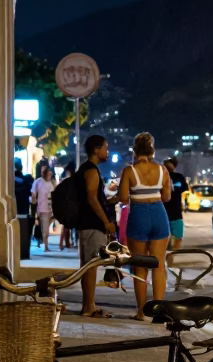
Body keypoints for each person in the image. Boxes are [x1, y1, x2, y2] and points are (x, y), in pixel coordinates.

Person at [117, 132, 171, 319]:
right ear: (152, 151)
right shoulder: (162, 170)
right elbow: (167, 197)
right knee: (158, 265)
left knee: (140, 266)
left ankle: (141, 312)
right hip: (158, 213)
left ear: (135, 150)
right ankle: (159, 310)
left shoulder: (129, 171)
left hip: (138, 214)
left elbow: (123, 198)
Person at [76, 135, 116, 318]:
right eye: (105, 148)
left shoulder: (87, 170)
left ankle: (88, 305)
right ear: (96, 150)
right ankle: (89, 306)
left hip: (88, 224)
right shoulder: (91, 171)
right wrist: (106, 222)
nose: (107, 151)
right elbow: (92, 198)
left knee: (88, 266)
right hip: (92, 225)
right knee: (90, 266)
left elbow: (94, 198)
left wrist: (112, 200)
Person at [163, 157, 188, 249]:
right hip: (163, 213)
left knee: (177, 239)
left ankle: (170, 259)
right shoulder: (159, 177)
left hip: (175, 213)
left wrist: (184, 204)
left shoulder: (179, 177)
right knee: (165, 241)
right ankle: (167, 260)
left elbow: (185, 191)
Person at [14, 157, 34, 260]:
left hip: (16, 210)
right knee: (25, 234)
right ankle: (24, 253)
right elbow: (30, 192)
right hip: (24, 211)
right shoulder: (26, 180)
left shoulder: (10, 181)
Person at [31, 165, 55, 253]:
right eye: (49, 174)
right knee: (45, 229)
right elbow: (33, 193)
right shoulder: (38, 182)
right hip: (42, 209)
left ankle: (43, 242)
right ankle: (46, 246)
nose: (50, 176)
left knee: (46, 228)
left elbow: (52, 194)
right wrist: (34, 203)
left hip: (50, 209)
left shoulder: (50, 183)